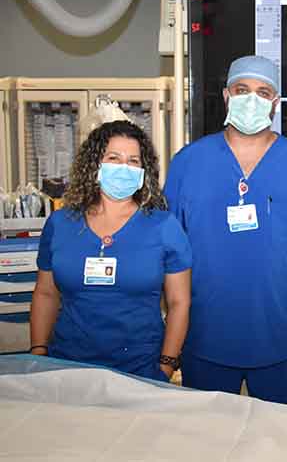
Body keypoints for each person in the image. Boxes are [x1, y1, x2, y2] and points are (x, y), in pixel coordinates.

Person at [164, 55, 287, 405]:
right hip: (206, 334)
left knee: (281, 442)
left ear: (275, 103)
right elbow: (166, 248)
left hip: (281, 334)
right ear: (226, 96)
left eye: (262, 91)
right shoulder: (189, 163)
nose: (252, 99)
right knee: (209, 442)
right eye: (242, 90)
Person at [30, 120, 191, 382]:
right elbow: (46, 293)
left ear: (143, 171)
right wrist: (38, 351)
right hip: (68, 367)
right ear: (95, 165)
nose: (123, 168)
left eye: (133, 161)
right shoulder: (61, 224)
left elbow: (179, 302)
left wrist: (166, 365)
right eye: (114, 158)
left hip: (141, 369)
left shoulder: (164, 227)